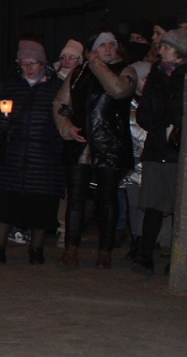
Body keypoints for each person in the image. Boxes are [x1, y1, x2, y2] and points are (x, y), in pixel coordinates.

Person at [53, 29, 137, 269]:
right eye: (102, 45)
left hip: (110, 144)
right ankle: (71, 249)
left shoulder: (126, 71)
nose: (109, 48)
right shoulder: (78, 75)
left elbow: (118, 90)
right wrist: (66, 127)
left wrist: (97, 64)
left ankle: (105, 250)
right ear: (93, 49)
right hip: (80, 144)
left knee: (107, 199)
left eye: (112, 44)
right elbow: (60, 102)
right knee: (76, 199)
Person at [0, 40, 64, 264]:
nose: (28, 68)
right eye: (24, 63)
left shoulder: (56, 86)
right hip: (13, 153)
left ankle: (36, 250)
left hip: (44, 155)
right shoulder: (10, 85)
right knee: (5, 203)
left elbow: (63, 118)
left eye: (33, 63)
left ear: (43, 63)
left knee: (41, 204)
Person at [133, 28, 187, 275]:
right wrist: (159, 123)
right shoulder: (155, 75)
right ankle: (145, 255)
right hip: (157, 148)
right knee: (153, 204)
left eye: (166, 47)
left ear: (179, 52)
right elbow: (144, 111)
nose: (160, 50)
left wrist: (172, 123)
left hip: (179, 150)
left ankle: (177, 260)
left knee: (180, 207)